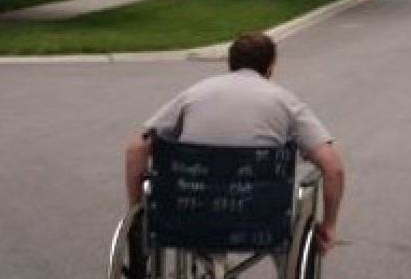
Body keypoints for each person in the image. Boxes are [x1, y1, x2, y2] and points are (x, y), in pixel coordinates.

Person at [124, 32, 345, 255]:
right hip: (259, 220)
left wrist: (137, 214)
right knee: (278, 216)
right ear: (270, 67)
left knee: (202, 198)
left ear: (230, 63)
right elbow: (333, 168)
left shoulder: (196, 93)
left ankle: (209, 268)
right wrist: (329, 226)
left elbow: (137, 148)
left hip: (189, 212)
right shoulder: (285, 101)